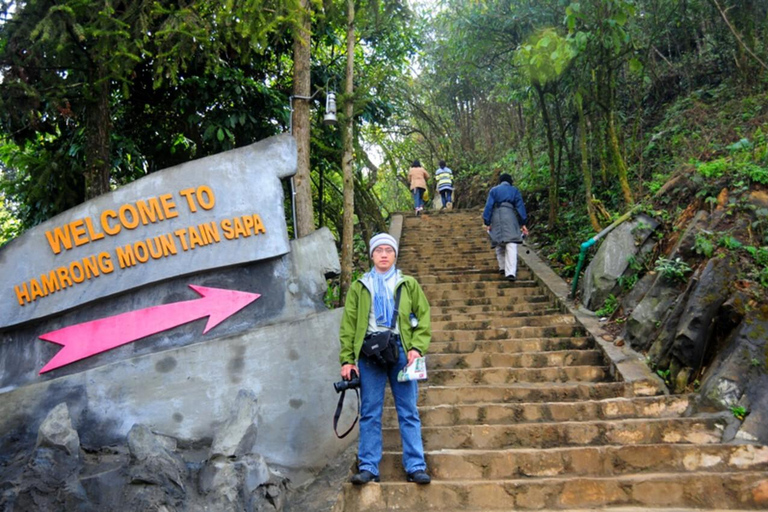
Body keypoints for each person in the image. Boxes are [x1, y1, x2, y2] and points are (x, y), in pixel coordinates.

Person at [338, 233, 432, 485]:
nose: (383, 254)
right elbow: (348, 326)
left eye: (388, 250)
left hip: (401, 350)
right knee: (369, 411)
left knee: (408, 410)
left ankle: (415, 465)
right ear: (371, 255)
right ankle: (368, 466)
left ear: (395, 255)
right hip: (370, 354)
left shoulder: (408, 284)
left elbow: (423, 317)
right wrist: (347, 360)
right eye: (378, 250)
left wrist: (417, 348)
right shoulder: (360, 286)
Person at [482, 173, 529, 281]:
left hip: (496, 217)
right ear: (510, 181)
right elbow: (520, 207)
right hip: (510, 216)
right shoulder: (514, 191)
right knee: (511, 243)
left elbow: (488, 206)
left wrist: (487, 221)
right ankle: (510, 272)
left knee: (499, 242)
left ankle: (502, 266)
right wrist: (523, 223)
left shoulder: (494, 190)